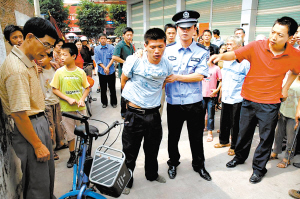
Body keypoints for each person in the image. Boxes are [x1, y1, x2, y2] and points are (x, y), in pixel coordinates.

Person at [209, 16, 300, 184]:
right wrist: (220, 57)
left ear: (290, 37)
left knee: (265, 138)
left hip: (270, 102)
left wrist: (285, 87)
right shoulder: (257, 46)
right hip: (249, 99)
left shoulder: (294, 54)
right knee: (244, 133)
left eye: (280, 35)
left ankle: (259, 168)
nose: (273, 37)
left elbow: (295, 71)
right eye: (273, 32)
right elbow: (235, 54)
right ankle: (240, 157)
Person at [0, 17, 58, 199]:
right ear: (30, 37)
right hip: (29, 127)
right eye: (46, 44)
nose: (47, 51)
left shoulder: (28, 61)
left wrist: (45, 123)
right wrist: (38, 144)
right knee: (37, 184)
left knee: (46, 178)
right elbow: (18, 114)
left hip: (37, 122)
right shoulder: (17, 70)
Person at [121, 28, 173, 195]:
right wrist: (133, 101)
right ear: (145, 45)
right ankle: (127, 180)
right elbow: (124, 81)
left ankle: (152, 174)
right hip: (134, 114)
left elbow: (163, 83)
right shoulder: (134, 60)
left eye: (160, 46)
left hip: (153, 114)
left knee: (152, 148)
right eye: (152, 47)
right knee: (130, 151)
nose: (157, 51)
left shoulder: (167, 64)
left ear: (165, 45)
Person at [164, 10, 211, 182]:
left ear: (194, 29)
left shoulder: (202, 51)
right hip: (174, 102)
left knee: (196, 137)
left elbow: (200, 75)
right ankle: (173, 163)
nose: (184, 31)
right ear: (176, 29)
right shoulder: (166, 50)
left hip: (194, 102)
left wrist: (176, 77)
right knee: (173, 136)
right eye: (181, 28)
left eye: (188, 28)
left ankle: (199, 165)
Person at [50, 43, 90, 168]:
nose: (61, 57)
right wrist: (67, 98)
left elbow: (87, 88)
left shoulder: (80, 72)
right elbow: (54, 89)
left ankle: (83, 153)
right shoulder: (59, 72)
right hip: (66, 110)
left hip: (80, 110)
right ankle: (72, 154)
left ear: (73, 56)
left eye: (64, 55)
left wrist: (82, 99)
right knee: (69, 134)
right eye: (60, 54)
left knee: (83, 132)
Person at [213, 36, 250, 157]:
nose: (228, 46)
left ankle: (234, 146)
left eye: (231, 44)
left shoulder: (245, 63)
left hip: (238, 98)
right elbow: (223, 79)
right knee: (224, 121)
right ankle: (224, 141)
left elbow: (249, 80)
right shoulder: (225, 61)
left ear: (239, 46)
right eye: (227, 44)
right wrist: (220, 92)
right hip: (226, 97)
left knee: (236, 124)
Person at [38, 51, 66, 160]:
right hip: (46, 102)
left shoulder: (55, 69)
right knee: (50, 126)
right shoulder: (38, 70)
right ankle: (52, 148)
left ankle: (60, 142)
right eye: (39, 57)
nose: (40, 60)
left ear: (50, 58)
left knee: (58, 123)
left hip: (56, 100)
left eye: (43, 57)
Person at [270, 74, 300, 168]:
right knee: (278, 134)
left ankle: (287, 158)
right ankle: (275, 152)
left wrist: (298, 114)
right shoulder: (289, 78)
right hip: (283, 111)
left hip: (293, 115)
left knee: (291, 138)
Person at [112, 27, 135, 118]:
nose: (129, 36)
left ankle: (130, 110)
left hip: (131, 72)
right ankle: (123, 113)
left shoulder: (131, 45)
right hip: (124, 72)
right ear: (123, 35)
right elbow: (114, 57)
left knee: (131, 92)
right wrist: (126, 62)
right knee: (124, 92)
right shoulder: (120, 45)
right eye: (127, 35)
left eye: (131, 35)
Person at [94, 33, 117, 108]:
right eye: (101, 38)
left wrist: (107, 67)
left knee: (112, 88)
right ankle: (104, 103)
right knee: (103, 88)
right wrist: (104, 68)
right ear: (99, 39)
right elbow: (97, 60)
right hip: (101, 71)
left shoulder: (111, 47)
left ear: (106, 39)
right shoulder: (96, 49)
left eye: (104, 38)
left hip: (111, 71)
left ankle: (113, 102)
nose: (103, 40)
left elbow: (113, 58)